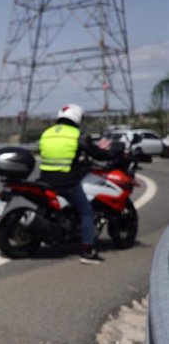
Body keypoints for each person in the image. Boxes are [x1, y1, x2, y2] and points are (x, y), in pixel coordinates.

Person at [38, 103, 112, 264]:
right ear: (77, 117)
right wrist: (109, 153)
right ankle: (88, 251)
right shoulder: (77, 135)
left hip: (44, 179)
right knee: (86, 212)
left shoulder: (47, 133)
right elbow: (96, 153)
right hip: (66, 181)